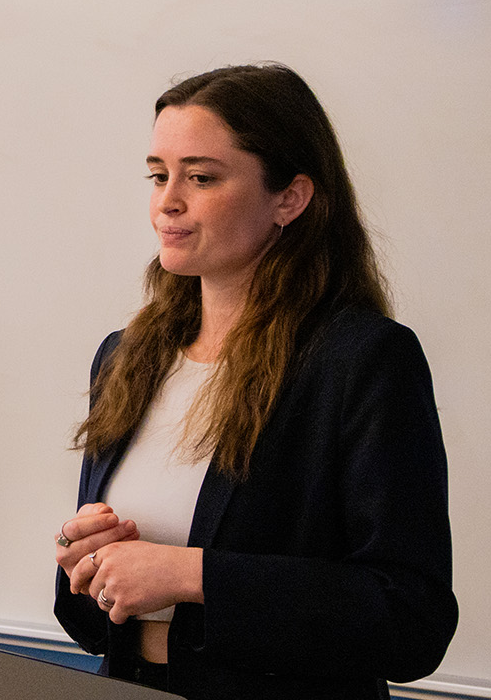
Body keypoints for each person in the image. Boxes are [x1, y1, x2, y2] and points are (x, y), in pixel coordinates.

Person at [53, 63, 457, 698]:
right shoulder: (127, 357)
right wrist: (87, 565)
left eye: (202, 177)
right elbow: (90, 622)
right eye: (159, 176)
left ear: (289, 199)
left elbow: (410, 617)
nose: (168, 201)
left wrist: (196, 576)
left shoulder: (363, 361)